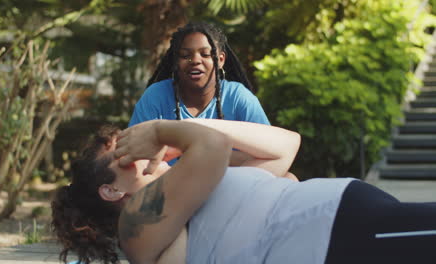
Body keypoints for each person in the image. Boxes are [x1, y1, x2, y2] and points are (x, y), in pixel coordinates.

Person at [52, 119, 436, 264]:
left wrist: (188, 125)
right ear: (109, 191)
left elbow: (284, 147)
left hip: (351, 225)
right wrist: (161, 131)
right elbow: (213, 148)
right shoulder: (136, 225)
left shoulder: (194, 180)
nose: (136, 150)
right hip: (340, 241)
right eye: (121, 153)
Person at [128, 21, 270, 126]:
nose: (195, 60)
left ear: (220, 60)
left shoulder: (238, 97)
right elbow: (133, 154)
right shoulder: (155, 97)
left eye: (205, 54)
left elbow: (270, 149)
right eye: (185, 55)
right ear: (175, 61)